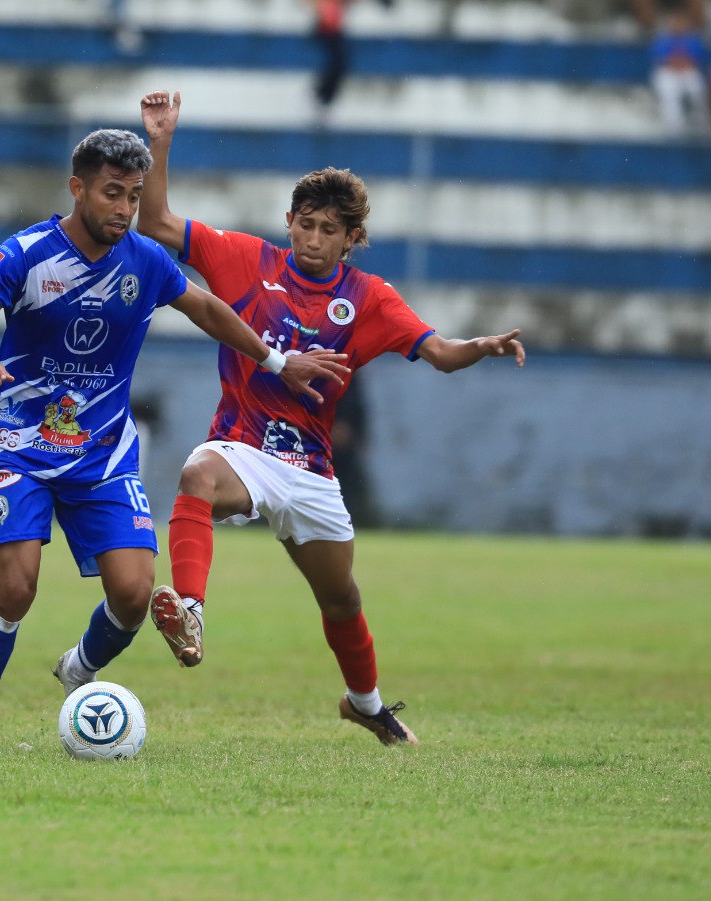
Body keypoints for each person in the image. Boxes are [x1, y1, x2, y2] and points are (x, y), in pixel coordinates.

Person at [0, 127, 346, 754]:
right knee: (16, 587)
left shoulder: (146, 260)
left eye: (132, 196)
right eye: (111, 194)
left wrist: (274, 360)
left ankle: (79, 669)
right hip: (22, 447)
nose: (125, 209)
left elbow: (207, 310)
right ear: (78, 189)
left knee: (132, 596)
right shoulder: (27, 253)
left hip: (102, 455)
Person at [136, 90, 526, 747]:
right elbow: (157, 224)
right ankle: (191, 613)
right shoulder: (244, 260)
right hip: (244, 449)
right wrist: (161, 142)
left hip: (312, 470)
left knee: (341, 599)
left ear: (352, 238)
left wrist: (479, 347)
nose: (313, 240)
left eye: (328, 230)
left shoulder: (369, 298)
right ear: (289, 220)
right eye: (305, 224)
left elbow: (438, 352)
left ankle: (366, 703)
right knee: (197, 471)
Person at [649, 9, 711, 135]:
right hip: (667, 73)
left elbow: (697, 60)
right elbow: (659, 60)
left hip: (688, 72)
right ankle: (673, 127)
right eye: (675, 21)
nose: (678, 24)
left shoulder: (693, 39)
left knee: (697, 88)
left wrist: (683, 64)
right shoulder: (662, 39)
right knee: (669, 90)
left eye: (681, 21)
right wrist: (675, 64)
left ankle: (700, 124)